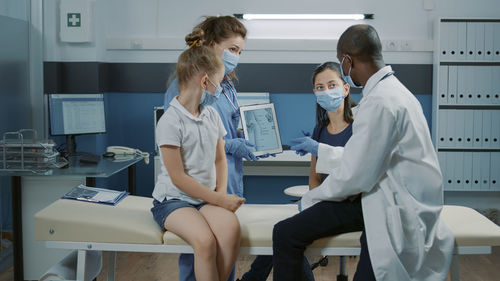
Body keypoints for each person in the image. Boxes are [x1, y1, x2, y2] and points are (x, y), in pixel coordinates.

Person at [273, 24, 455, 281]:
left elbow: (355, 175)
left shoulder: (380, 102)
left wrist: (312, 199)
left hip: (390, 203)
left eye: (340, 64)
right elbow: (362, 158)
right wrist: (323, 152)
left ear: (347, 61)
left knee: (284, 233)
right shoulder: (395, 93)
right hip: (396, 196)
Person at [163, 16, 268, 281]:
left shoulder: (226, 85)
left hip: (226, 182)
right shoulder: (182, 86)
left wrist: (244, 136)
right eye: (232, 49)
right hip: (197, 188)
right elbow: (185, 139)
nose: (236, 56)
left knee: (226, 253)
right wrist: (229, 144)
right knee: (198, 256)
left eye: (240, 51)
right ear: (211, 45)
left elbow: (225, 123)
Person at [237, 61, 356, 281]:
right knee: (281, 230)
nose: (326, 91)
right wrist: (314, 200)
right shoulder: (320, 129)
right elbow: (315, 176)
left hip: (347, 202)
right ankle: (252, 278)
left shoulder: (359, 125)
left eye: (332, 85)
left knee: (286, 232)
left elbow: (356, 167)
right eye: (320, 87)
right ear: (314, 92)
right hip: (325, 201)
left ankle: (251, 279)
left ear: (346, 88)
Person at [151, 43, 245, 281]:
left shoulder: (211, 114)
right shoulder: (170, 121)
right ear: (204, 82)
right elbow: (178, 178)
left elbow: (220, 158)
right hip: (173, 201)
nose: (222, 90)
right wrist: (218, 199)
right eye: (220, 84)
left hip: (205, 199)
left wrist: (220, 197)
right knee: (205, 242)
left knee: (231, 229)